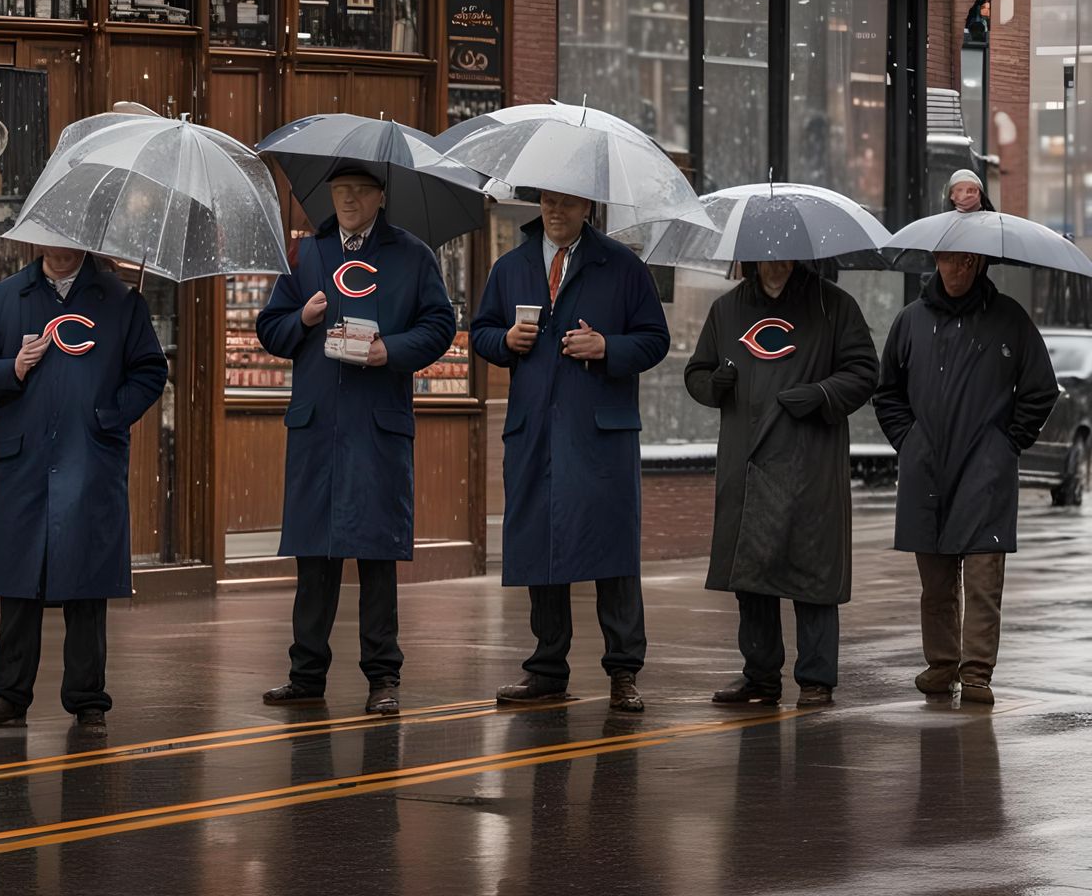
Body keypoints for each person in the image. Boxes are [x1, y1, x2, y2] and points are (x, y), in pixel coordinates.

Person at [256, 165, 455, 716]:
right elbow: (268, 327)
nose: (347, 200)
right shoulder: (307, 254)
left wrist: (390, 350)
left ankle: (382, 678)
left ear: (379, 197)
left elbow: (440, 325)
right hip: (317, 425)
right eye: (340, 191)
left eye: (359, 191)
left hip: (376, 422)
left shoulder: (412, 255)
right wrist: (302, 316)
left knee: (376, 553)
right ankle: (306, 673)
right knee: (314, 557)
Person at [0, 235, 167, 736]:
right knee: (20, 582)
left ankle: (88, 700)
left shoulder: (120, 301)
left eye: (71, 238)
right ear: (35, 239)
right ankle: (9, 695)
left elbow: (150, 370)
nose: (60, 247)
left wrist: (111, 416)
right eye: (50, 237)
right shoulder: (5, 298)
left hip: (89, 455)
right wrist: (13, 366)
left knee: (86, 581)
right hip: (23, 458)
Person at [471, 191, 669, 713]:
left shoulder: (623, 267)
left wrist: (607, 347)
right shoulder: (510, 266)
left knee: (613, 551)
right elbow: (481, 332)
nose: (555, 212)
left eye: (568, 203)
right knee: (542, 545)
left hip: (599, 432)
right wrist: (505, 340)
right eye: (548, 202)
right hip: (534, 429)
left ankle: (624, 670)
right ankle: (546, 668)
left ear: (589, 209)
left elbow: (655, 339)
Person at [684, 259, 878, 709]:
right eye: (765, 252)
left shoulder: (834, 306)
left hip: (810, 461)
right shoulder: (727, 309)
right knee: (751, 572)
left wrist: (823, 394)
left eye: (784, 251)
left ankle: (815, 678)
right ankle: (760, 676)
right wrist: (713, 385)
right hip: (746, 458)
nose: (774, 260)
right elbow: (695, 372)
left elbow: (865, 371)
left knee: (812, 570)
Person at [873, 250, 1057, 705]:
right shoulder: (911, 321)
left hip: (985, 468)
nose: (959, 270)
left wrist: (1007, 443)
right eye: (951, 260)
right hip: (926, 467)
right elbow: (887, 391)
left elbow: (1041, 389)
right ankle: (941, 665)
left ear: (979, 265)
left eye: (968, 262)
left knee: (982, 579)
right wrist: (909, 441)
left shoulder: (1009, 318)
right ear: (937, 260)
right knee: (935, 582)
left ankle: (976, 673)